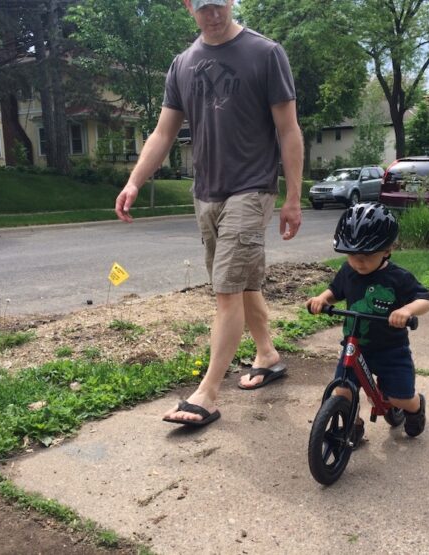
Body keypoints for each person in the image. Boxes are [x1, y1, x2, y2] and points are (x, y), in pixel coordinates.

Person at [114, 0, 304, 427]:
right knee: (240, 283)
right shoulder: (182, 64)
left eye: (219, 4)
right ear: (188, 6)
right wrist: (134, 182)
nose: (213, 13)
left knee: (225, 290)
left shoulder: (265, 53)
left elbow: (288, 129)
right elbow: (164, 133)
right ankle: (268, 355)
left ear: (232, 2)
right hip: (206, 191)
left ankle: (208, 393)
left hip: (251, 188)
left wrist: (293, 197)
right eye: (203, 7)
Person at [305, 203, 429, 439]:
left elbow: (425, 300)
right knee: (343, 392)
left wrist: (406, 310)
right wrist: (322, 299)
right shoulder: (348, 271)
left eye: (366, 256)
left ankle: (415, 409)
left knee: (398, 397)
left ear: (387, 249)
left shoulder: (398, 277)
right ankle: (352, 425)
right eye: (352, 255)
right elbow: (335, 290)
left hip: (391, 350)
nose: (358, 262)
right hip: (355, 346)